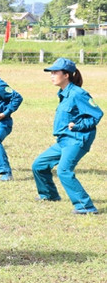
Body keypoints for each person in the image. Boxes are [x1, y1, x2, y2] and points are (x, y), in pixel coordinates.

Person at [32, 58, 103, 214]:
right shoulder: (64, 93)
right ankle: (49, 195)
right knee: (39, 165)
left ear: (67, 75)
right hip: (64, 140)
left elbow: (97, 114)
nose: (52, 75)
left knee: (64, 171)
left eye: (55, 72)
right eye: (51, 72)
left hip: (77, 139)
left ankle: (86, 207)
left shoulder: (78, 93)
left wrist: (78, 126)